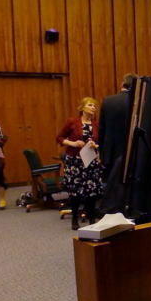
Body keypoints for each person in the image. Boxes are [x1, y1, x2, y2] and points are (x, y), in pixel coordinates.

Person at [57, 97, 105, 230]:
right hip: (75, 161)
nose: (93, 108)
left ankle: (91, 219)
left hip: (91, 162)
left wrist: (96, 145)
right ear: (82, 108)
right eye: (90, 105)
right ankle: (74, 219)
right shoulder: (72, 122)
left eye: (95, 106)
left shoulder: (96, 125)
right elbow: (59, 138)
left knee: (91, 192)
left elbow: (101, 142)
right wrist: (73, 143)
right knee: (75, 192)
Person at [99, 73, 136, 181]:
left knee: (112, 185)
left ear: (122, 84)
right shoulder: (136, 102)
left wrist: (102, 154)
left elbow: (102, 129)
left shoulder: (107, 101)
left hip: (111, 152)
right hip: (131, 151)